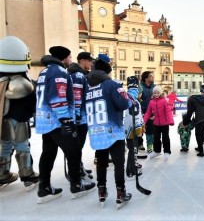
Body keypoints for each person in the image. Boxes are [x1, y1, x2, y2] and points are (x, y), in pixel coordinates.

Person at [35, 46, 95, 204]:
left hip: (45, 119)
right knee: (74, 151)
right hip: (57, 121)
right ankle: (76, 185)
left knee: (48, 153)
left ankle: (44, 187)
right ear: (63, 58)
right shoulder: (59, 72)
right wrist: (66, 119)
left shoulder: (44, 71)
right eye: (69, 57)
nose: (70, 60)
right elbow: (58, 96)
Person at [85, 54, 132, 208]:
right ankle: (120, 192)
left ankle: (102, 191)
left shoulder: (87, 85)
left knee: (101, 163)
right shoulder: (111, 84)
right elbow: (124, 104)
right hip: (113, 129)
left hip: (95, 131)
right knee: (118, 162)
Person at [0, 36, 38, 191]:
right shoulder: (22, 82)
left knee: (5, 146)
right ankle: (27, 174)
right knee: (22, 146)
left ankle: (2, 172)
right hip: (19, 118)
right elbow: (30, 102)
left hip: (3, 118)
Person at [67, 51, 94, 180]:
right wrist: (77, 115)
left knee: (78, 145)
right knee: (77, 145)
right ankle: (76, 168)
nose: (91, 63)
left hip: (81, 115)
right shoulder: (78, 75)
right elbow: (77, 95)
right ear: (83, 61)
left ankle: (79, 165)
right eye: (89, 61)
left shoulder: (80, 74)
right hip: (80, 117)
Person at [143, 86, 174, 161]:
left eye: (158, 93)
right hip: (156, 123)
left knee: (165, 138)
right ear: (153, 93)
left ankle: (167, 151)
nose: (156, 94)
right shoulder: (151, 102)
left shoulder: (164, 101)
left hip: (165, 123)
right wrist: (143, 122)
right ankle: (157, 151)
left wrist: (171, 121)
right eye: (155, 93)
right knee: (156, 138)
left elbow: (168, 111)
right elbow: (148, 112)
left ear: (160, 93)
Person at [182, 87, 204, 157]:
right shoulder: (202, 98)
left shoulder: (190, 100)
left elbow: (189, 113)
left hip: (200, 117)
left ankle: (201, 151)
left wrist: (184, 123)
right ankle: (199, 147)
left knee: (198, 134)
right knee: (202, 133)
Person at [124, 76, 145, 178]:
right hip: (133, 131)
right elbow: (136, 118)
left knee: (132, 149)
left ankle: (132, 165)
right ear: (137, 90)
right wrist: (139, 129)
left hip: (128, 130)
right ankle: (131, 170)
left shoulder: (126, 98)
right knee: (133, 150)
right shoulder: (134, 101)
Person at [138, 71, 155, 155]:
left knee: (151, 129)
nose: (153, 77)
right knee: (140, 129)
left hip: (152, 112)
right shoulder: (140, 87)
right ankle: (140, 144)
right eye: (151, 76)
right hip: (142, 112)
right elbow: (137, 99)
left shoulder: (154, 87)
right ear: (146, 78)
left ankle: (150, 145)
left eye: (153, 76)